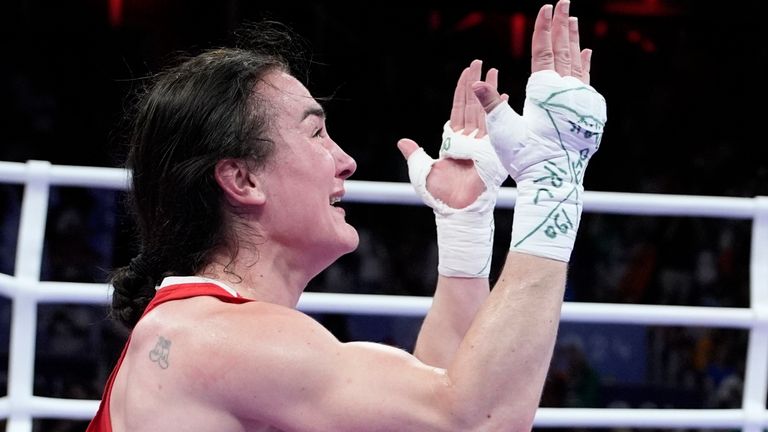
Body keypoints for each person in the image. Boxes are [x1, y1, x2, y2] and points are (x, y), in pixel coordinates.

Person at [87, 0, 606, 430]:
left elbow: (430, 402)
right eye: (316, 134)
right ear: (242, 179)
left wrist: (464, 231)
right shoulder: (216, 340)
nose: (346, 160)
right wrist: (552, 185)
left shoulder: (207, 329)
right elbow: (475, 421)